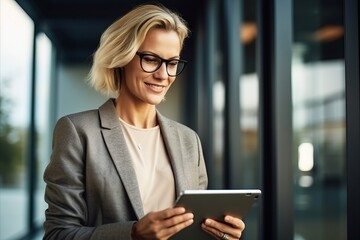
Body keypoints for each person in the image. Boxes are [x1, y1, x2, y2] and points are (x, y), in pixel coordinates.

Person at [43, 4, 245, 240]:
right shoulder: (78, 132)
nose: (163, 75)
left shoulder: (189, 140)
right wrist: (134, 233)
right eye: (151, 59)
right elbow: (58, 234)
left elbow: (193, 229)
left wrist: (220, 234)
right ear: (122, 57)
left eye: (171, 63)